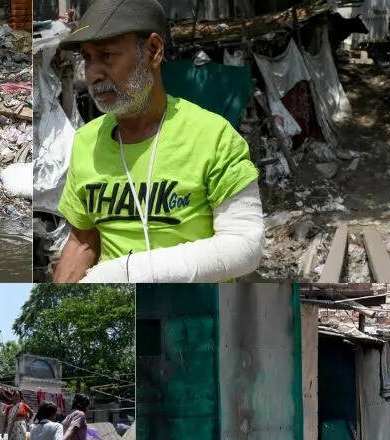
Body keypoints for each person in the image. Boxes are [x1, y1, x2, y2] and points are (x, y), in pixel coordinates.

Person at [54, 0, 264, 283]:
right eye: (88, 58)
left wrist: (123, 272)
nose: (92, 74)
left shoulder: (214, 137)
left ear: (153, 51)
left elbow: (245, 247)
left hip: (194, 314)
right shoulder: (85, 143)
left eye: (107, 55)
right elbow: (83, 242)